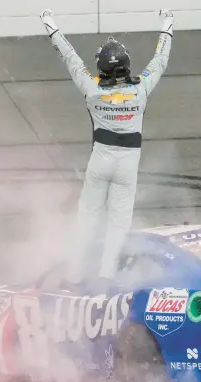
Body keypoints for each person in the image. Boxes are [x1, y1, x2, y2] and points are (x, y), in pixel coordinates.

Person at [40, 8, 174, 287]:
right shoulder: (141, 88)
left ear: (100, 68)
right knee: (118, 224)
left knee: (86, 219)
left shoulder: (92, 88)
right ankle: (106, 276)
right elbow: (160, 59)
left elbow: (70, 58)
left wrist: (51, 26)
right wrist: (167, 24)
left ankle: (74, 276)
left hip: (100, 160)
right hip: (128, 165)